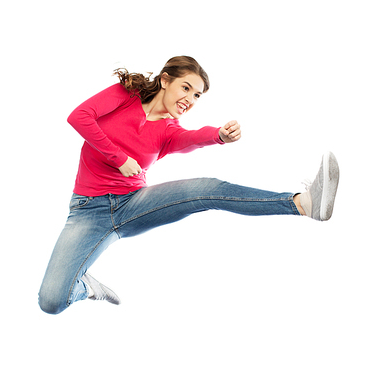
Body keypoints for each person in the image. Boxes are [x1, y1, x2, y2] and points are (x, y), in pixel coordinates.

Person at [38, 56, 340, 315]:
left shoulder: (168, 131)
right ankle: (87, 286)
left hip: (134, 204)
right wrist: (118, 158)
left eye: (197, 96)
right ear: (166, 80)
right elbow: (79, 117)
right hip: (88, 211)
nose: (190, 99)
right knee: (52, 301)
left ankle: (300, 203)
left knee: (204, 189)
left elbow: (193, 138)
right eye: (186, 88)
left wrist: (219, 135)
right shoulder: (125, 94)